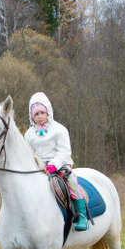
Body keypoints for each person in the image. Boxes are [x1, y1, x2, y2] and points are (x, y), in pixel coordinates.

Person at [25, 92, 88, 231]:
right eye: (36, 114)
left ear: (48, 112)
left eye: (42, 112)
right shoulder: (29, 134)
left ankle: (82, 215)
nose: (40, 116)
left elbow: (65, 151)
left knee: (71, 181)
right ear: (32, 116)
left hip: (60, 164)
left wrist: (54, 164)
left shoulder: (59, 130)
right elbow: (29, 153)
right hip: (39, 166)